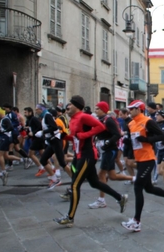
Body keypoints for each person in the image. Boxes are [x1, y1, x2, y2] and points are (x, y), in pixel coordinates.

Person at [54, 95, 128, 227]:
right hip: (78, 155)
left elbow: (100, 127)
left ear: (76, 106)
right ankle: (120, 198)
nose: (67, 106)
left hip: (87, 155)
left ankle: (70, 217)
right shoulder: (72, 119)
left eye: (70, 104)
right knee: (94, 183)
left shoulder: (83, 116)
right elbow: (76, 137)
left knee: (75, 185)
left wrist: (83, 135)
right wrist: (64, 136)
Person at [121, 100, 164, 232]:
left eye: (132, 109)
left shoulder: (148, 121)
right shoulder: (130, 124)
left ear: (139, 109)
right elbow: (133, 141)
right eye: (129, 109)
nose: (129, 111)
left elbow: (161, 136)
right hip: (139, 159)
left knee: (137, 187)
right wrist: (127, 142)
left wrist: (147, 139)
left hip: (148, 158)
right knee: (149, 189)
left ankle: (136, 222)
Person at [88, 101, 134, 209]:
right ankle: (135, 178)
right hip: (105, 150)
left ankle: (101, 200)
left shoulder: (108, 120)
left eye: (98, 109)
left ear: (103, 110)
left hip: (110, 150)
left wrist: (108, 142)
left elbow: (117, 134)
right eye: (95, 109)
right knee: (112, 176)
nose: (96, 111)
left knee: (101, 175)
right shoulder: (101, 120)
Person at [0, 107, 17, 185]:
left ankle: (3, 171)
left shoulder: (5, 119)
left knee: (0, 155)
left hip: (5, 138)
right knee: (5, 155)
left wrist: (4, 131)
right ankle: (22, 160)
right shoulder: (3, 119)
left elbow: (11, 127)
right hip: (4, 138)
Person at [23, 107, 45, 171]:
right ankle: (51, 167)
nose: (25, 114)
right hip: (35, 138)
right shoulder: (28, 120)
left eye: (26, 112)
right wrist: (28, 136)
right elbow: (30, 129)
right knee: (43, 154)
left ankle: (41, 167)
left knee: (30, 154)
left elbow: (40, 127)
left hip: (38, 138)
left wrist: (33, 133)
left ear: (30, 112)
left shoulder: (34, 119)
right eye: (24, 112)